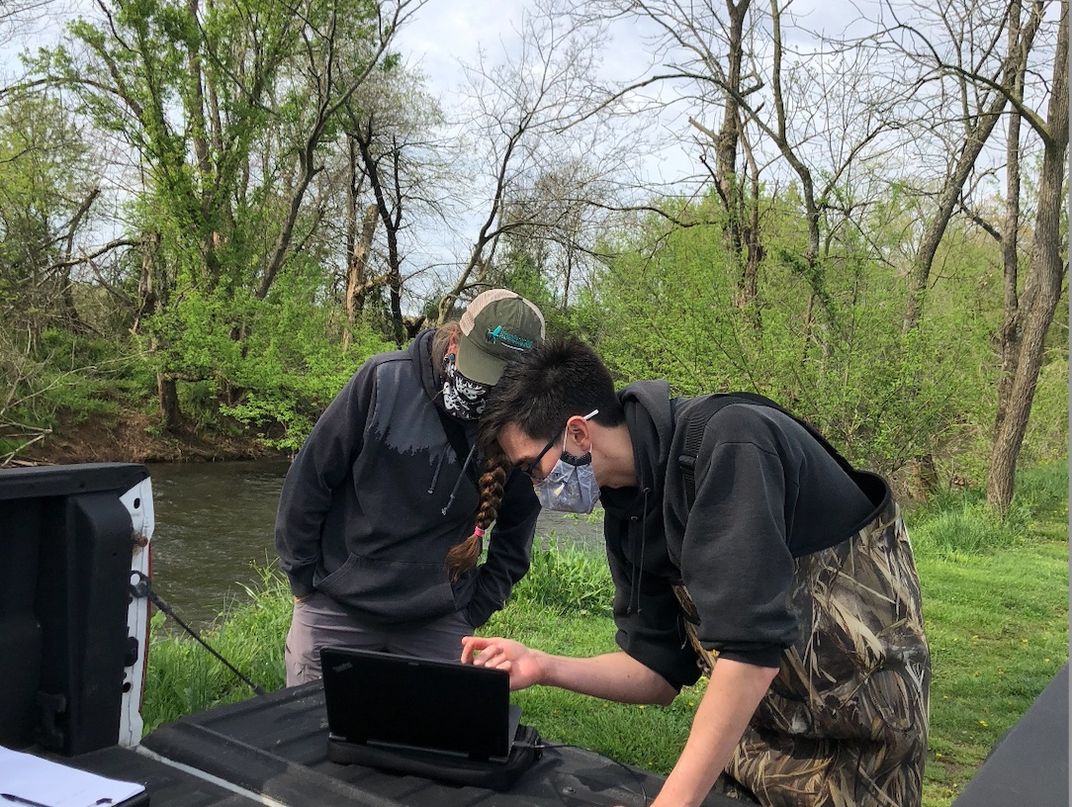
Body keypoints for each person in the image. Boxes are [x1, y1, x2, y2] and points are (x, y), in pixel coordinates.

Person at [462, 337, 931, 807]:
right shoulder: (627, 506)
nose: (534, 485)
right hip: (756, 743)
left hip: (861, 742)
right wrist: (543, 665)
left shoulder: (732, 443)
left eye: (532, 467)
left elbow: (750, 656)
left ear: (579, 434)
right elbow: (656, 671)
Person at [276, 289, 545, 686]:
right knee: (313, 734)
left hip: (440, 617)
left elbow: (519, 519)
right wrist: (303, 582)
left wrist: (481, 602)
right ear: (455, 340)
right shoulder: (381, 380)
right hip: (338, 606)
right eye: (484, 370)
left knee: (437, 742)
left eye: (506, 385)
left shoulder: (515, 421)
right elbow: (309, 482)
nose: (487, 393)